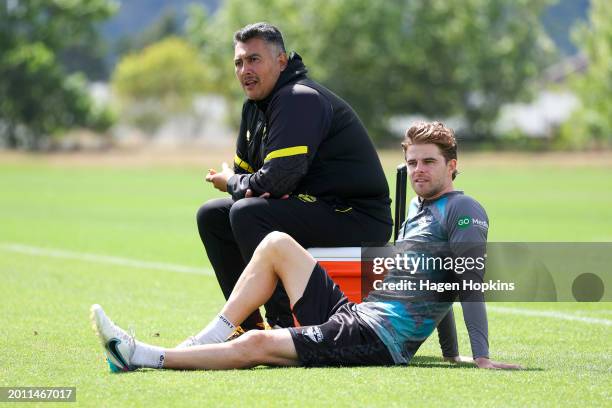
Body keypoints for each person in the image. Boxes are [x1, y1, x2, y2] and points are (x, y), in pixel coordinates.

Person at [91, 121, 520, 371]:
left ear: (453, 166)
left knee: (260, 344)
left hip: (377, 339)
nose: (419, 170)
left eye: (429, 162)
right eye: (412, 162)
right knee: (277, 243)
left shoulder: (464, 211)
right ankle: (211, 334)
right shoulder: (419, 207)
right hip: (359, 316)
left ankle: (144, 356)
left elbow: (465, 283)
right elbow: (429, 286)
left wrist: (478, 358)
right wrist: (449, 354)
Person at [196, 22, 392, 334]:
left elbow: (272, 183)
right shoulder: (254, 109)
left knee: (248, 213)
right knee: (212, 215)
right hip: (313, 209)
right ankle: (246, 328)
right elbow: (254, 180)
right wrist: (243, 184)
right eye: (239, 62)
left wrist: (233, 182)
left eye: (254, 59)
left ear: (282, 61)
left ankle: (282, 325)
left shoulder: (297, 98)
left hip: (356, 217)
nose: (244, 69)